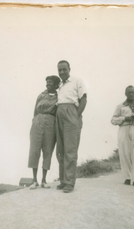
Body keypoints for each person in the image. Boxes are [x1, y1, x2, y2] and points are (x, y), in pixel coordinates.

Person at [56, 60, 87, 193]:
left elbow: (84, 99)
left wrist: (75, 117)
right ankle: (63, 180)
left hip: (71, 114)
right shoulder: (60, 85)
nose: (62, 72)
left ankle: (70, 182)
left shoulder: (77, 81)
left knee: (70, 150)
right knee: (61, 150)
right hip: (59, 115)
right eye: (60, 70)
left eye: (64, 69)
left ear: (69, 69)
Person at [111, 85, 134, 188]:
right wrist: (124, 118)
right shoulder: (120, 106)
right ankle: (127, 177)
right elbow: (113, 120)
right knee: (124, 153)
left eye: (133, 92)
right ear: (125, 94)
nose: (131, 94)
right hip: (124, 129)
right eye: (129, 92)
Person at [28, 75, 61, 189]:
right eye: (47, 82)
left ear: (56, 85)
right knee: (34, 150)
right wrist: (34, 123)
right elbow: (34, 111)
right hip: (38, 121)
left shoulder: (59, 96)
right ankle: (34, 180)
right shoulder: (41, 95)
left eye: (50, 82)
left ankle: (44, 180)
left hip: (51, 123)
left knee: (48, 150)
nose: (47, 84)